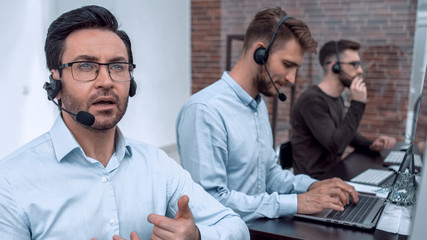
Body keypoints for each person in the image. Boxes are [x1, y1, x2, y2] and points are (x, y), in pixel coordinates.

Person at [0, 5, 249, 240]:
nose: (106, 81)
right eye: (86, 66)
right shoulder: (11, 181)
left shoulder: (157, 165)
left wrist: (196, 236)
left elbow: (235, 227)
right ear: (55, 82)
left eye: (117, 66)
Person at [176, 7, 359, 223]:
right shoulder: (205, 110)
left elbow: (270, 174)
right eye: (287, 65)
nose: (291, 79)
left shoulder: (258, 105)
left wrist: (311, 186)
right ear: (260, 53)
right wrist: (297, 202)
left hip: (263, 228)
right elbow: (210, 201)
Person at [291, 39, 396, 178]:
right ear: (334, 67)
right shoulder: (312, 101)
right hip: (314, 182)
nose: (359, 70)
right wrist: (357, 104)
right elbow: (336, 145)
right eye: (354, 64)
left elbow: (346, 134)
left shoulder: (337, 98)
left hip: (334, 173)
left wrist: (371, 144)